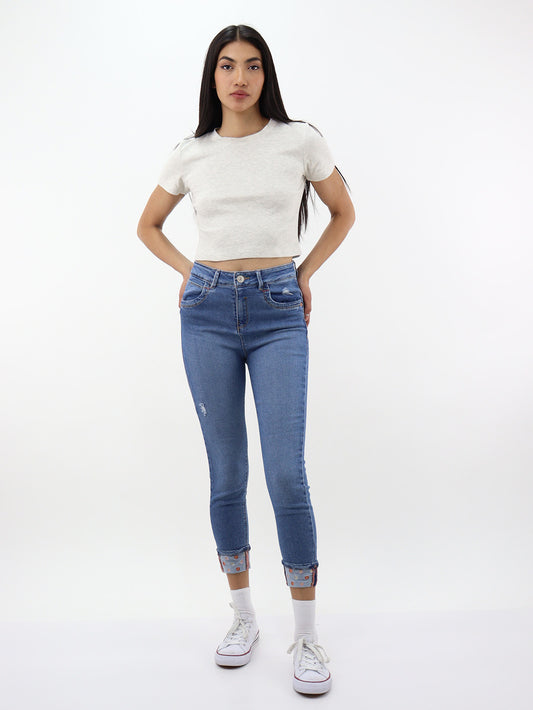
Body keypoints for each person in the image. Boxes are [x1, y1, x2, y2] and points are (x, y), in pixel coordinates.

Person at [137, 24, 355, 695]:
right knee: (227, 472)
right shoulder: (191, 151)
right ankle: (242, 617)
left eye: (253, 66)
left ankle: (307, 635)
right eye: (228, 66)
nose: (240, 78)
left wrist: (304, 274)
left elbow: (342, 212)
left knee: (286, 473)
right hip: (205, 312)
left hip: (277, 310)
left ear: (267, 75)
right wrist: (188, 271)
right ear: (212, 76)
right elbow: (147, 225)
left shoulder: (298, 140)